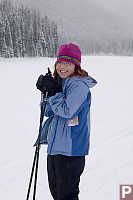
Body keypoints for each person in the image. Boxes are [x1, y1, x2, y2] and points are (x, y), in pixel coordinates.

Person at [36, 43, 97, 200]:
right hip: (56, 147)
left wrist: (55, 93)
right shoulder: (62, 83)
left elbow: (67, 111)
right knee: (57, 193)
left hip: (71, 150)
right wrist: (46, 92)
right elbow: (48, 112)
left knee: (67, 195)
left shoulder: (79, 85)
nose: (63, 67)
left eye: (68, 63)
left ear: (76, 65)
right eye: (60, 62)